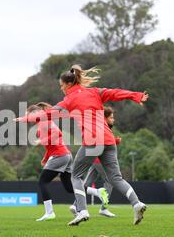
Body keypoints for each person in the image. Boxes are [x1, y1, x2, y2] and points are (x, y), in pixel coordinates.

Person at [16, 65, 149, 226]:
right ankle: (137, 203)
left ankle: (82, 211)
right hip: (108, 140)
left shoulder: (69, 100)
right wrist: (137, 96)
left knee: (76, 176)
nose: (61, 88)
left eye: (62, 85)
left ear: (69, 84)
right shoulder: (95, 92)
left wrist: (25, 119)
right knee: (116, 178)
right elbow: (116, 93)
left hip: (92, 141)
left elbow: (48, 114)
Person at [27, 102, 76, 221]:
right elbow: (52, 145)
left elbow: (57, 134)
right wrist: (45, 157)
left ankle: (49, 213)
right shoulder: (43, 122)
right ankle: (96, 192)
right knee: (69, 187)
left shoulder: (43, 122)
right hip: (66, 155)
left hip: (60, 155)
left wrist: (41, 140)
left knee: (42, 182)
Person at [69, 106, 119, 218]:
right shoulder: (101, 126)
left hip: (93, 159)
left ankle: (75, 205)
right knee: (110, 181)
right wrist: (115, 141)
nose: (113, 120)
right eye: (111, 117)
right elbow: (100, 142)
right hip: (98, 159)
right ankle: (104, 208)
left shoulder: (100, 126)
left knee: (86, 183)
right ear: (105, 118)